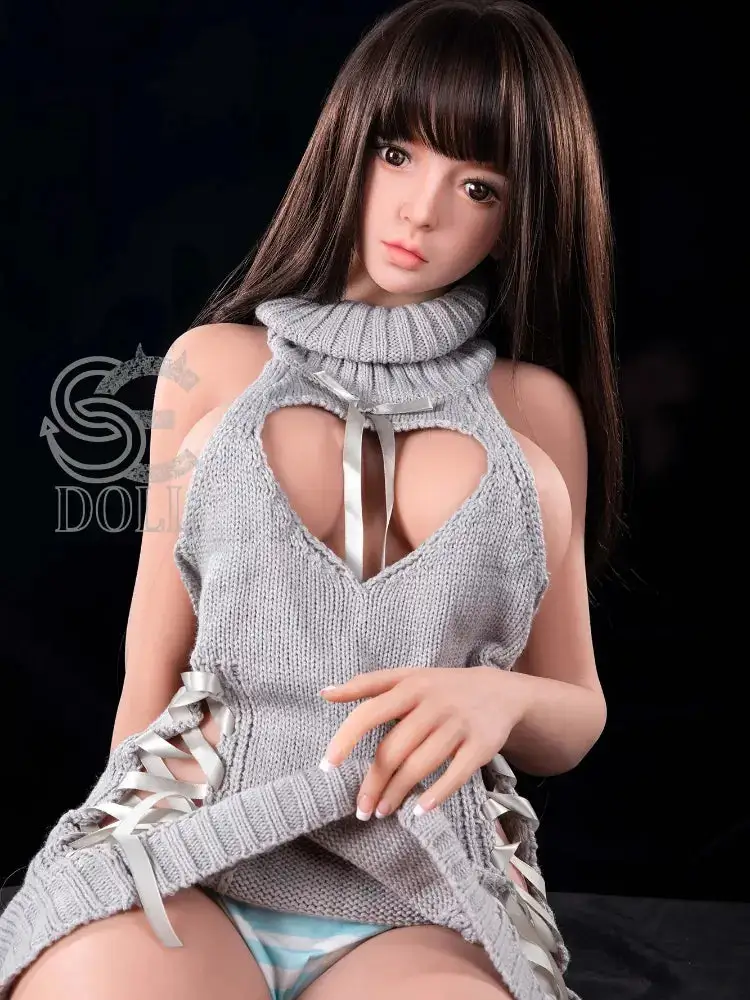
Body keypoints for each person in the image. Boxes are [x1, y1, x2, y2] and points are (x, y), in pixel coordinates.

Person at [1, 2, 622, 999]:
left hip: (426, 884)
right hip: (193, 848)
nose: (422, 211)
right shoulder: (215, 363)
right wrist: (103, 861)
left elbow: (577, 707)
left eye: (478, 186)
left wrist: (501, 697)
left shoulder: (532, 408)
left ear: (518, 218)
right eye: (397, 154)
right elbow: (149, 666)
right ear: (347, 145)